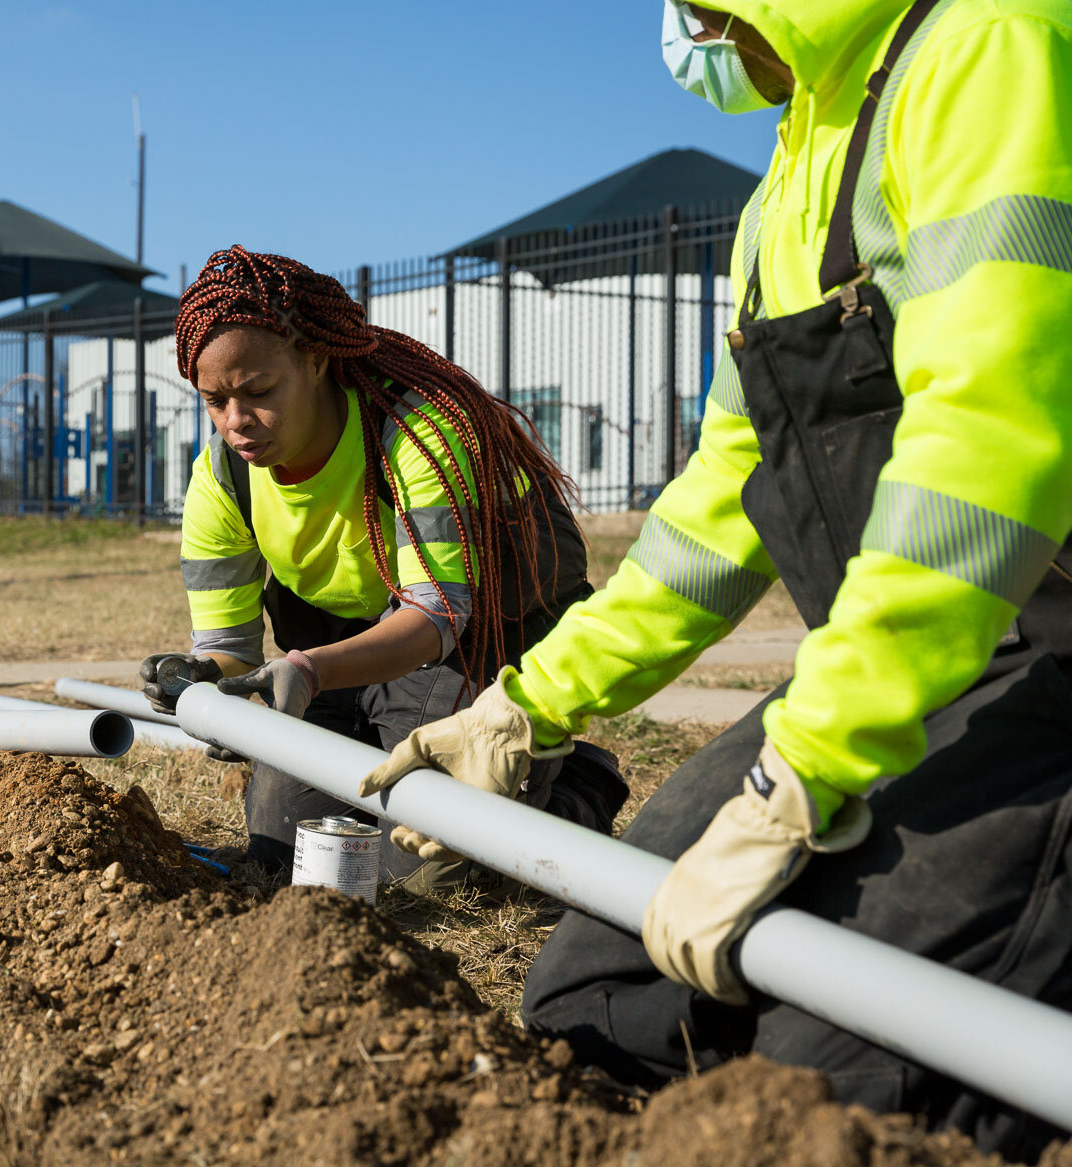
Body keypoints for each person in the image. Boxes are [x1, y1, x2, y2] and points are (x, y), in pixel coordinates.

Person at [360, 0, 1072, 1154]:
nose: (677, 31)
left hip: (1049, 670)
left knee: (830, 1095)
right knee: (604, 998)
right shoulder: (780, 195)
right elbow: (713, 513)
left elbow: (989, 442)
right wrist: (530, 702)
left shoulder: (989, 51)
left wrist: (809, 768)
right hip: (919, 675)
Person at [143, 246, 628, 892]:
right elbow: (230, 649)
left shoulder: (417, 434)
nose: (235, 422)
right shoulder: (222, 479)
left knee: (430, 875)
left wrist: (311, 669)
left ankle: (576, 784)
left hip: (466, 639)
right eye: (214, 401)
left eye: (258, 392)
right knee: (281, 855)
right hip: (340, 653)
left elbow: (438, 614)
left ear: (314, 359)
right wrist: (208, 680)